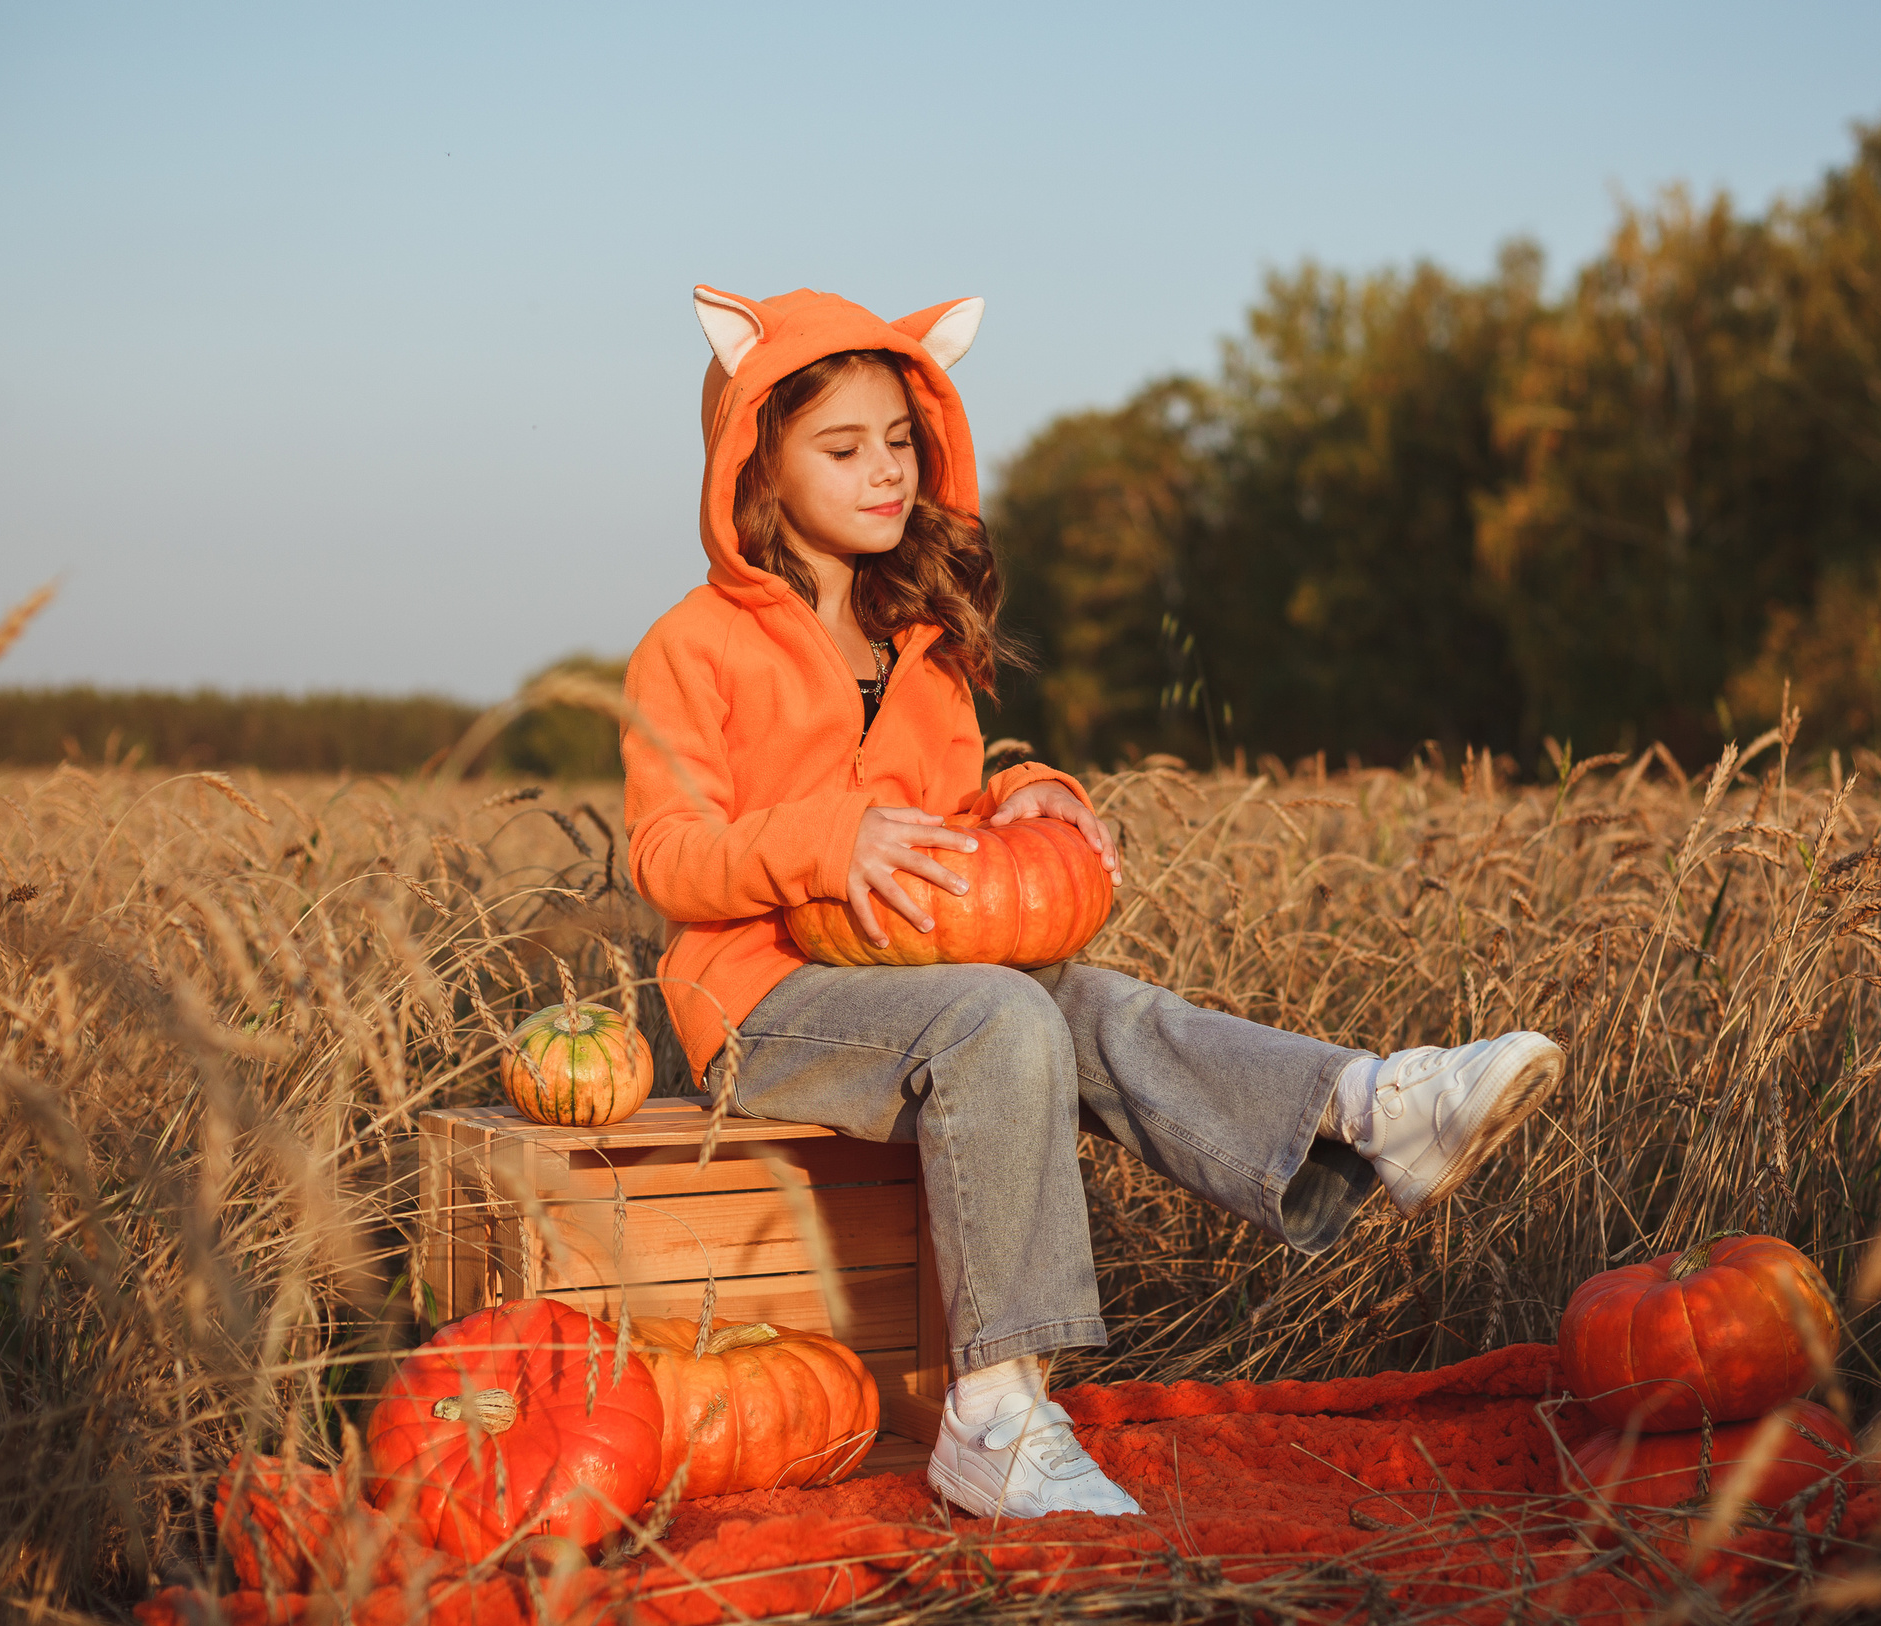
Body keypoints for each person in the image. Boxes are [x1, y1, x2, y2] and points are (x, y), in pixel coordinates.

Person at [622, 286, 1563, 1521]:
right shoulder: (692, 646)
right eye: (842, 448)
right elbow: (665, 854)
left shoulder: (917, 637)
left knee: (1084, 1000)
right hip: (762, 1001)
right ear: (756, 459)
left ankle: (1366, 1108)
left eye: (900, 440)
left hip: (905, 978)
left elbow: (947, 812)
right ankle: (997, 1411)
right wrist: (822, 842)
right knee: (1005, 1020)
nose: (885, 470)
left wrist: (1027, 791)